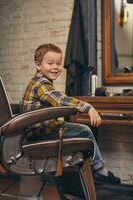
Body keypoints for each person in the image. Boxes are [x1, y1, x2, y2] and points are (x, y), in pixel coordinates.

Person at [21, 43, 121, 184]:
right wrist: (88, 107)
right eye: (50, 63)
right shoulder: (41, 84)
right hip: (41, 133)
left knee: (76, 129)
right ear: (38, 65)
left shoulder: (38, 81)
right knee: (84, 130)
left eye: (59, 63)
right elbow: (60, 99)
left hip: (42, 130)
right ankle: (99, 170)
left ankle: (84, 173)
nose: (55, 67)